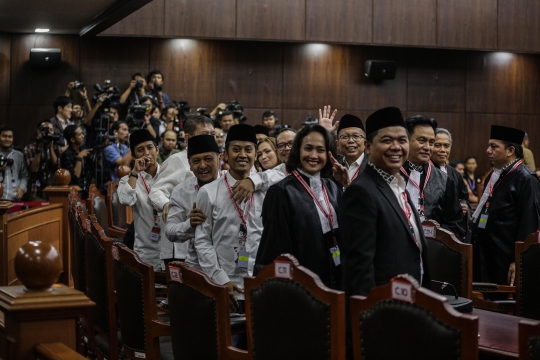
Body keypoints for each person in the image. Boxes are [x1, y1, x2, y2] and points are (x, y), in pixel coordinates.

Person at [340, 106, 431, 297]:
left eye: (402, 140)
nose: (396, 147)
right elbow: (359, 268)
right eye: (387, 140)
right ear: (367, 146)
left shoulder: (398, 184)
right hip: (384, 307)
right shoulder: (361, 191)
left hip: (412, 298)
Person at [255, 125, 343, 289]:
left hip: (335, 278)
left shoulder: (332, 187)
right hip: (300, 285)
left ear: (329, 153)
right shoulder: (281, 192)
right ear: (298, 151)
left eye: (320, 150)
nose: (314, 156)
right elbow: (277, 251)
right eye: (308, 148)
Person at [195, 124, 263, 313]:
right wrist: (220, 279)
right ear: (224, 155)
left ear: (256, 155)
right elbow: (202, 241)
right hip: (226, 287)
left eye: (248, 149)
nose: (242, 154)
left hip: (260, 287)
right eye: (236, 149)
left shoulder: (267, 190)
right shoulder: (208, 192)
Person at [470, 125, 540, 286]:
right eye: (489, 146)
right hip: (485, 254)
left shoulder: (526, 179)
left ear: (510, 151)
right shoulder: (494, 175)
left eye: (494, 146)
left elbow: (529, 224)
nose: (488, 150)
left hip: (505, 259)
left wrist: (518, 261)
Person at [400, 115, 465, 239]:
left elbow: (456, 225)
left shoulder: (445, 180)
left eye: (431, 142)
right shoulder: (390, 174)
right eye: (422, 140)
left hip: (431, 249)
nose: (427, 147)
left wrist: (434, 233)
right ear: (406, 140)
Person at [165, 135, 221, 270]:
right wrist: (189, 224)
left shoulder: (234, 185)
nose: (202, 165)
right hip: (197, 267)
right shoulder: (181, 191)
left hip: (231, 264)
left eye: (208, 159)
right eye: (196, 161)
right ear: (189, 165)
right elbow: (170, 231)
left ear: (219, 159)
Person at [149, 116, 215, 222]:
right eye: (204, 134)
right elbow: (157, 191)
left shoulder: (215, 159)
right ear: (188, 138)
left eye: (212, 134)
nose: (209, 139)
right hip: (184, 225)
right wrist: (165, 204)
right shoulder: (177, 160)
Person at [117, 129, 164, 270]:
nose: (146, 153)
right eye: (140, 150)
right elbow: (125, 200)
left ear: (157, 149)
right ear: (133, 155)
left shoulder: (169, 174)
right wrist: (135, 172)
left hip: (172, 249)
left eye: (150, 147)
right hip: (146, 252)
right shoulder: (128, 179)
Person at [431, 128, 471, 225]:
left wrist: (465, 206)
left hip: (453, 228)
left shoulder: (455, 174)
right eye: (438, 145)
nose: (443, 150)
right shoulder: (424, 171)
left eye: (446, 146)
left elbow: (464, 198)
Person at [23, 120, 62, 200]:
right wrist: (38, 149)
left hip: (54, 191)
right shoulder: (29, 148)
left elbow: (58, 168)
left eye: (51, 130)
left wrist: (50, 148)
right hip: (37, 191)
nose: (49, 132)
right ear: (38, 131)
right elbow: (34, 169)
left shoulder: (57, 148)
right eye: (45, 130)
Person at [336, 114, 368, 183]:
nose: (351, 140)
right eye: (345, 137)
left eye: (356, 136)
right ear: (337, 144)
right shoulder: (334, 165)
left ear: (365, 143)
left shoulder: (374, 166)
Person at [0, 125, 28, 201]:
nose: (7, 139)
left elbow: (24, 175)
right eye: (4, 136)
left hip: (14, 198)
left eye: (10, 137)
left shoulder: (19, 155)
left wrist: (22, 188)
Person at [61, 125, 91, 189]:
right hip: (74, 192)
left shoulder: (83, 149)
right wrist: (79, 157)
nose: (83, 136)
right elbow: (75, 176)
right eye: (80, 135)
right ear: (72, 139)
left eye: (82, 133)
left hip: (86, 189)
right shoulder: (66, 155)